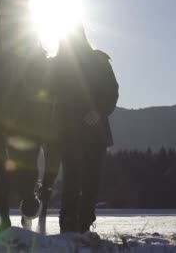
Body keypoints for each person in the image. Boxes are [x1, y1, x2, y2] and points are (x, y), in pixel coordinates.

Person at [50, 24, 119, 234]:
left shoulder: (99, 60)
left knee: (91, 180)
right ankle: (68, 225)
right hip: (69, 132)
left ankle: (84, 224)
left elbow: (112, 92)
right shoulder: (57, 65)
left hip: (94, 134)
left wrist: (99, 111)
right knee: (73, 178)